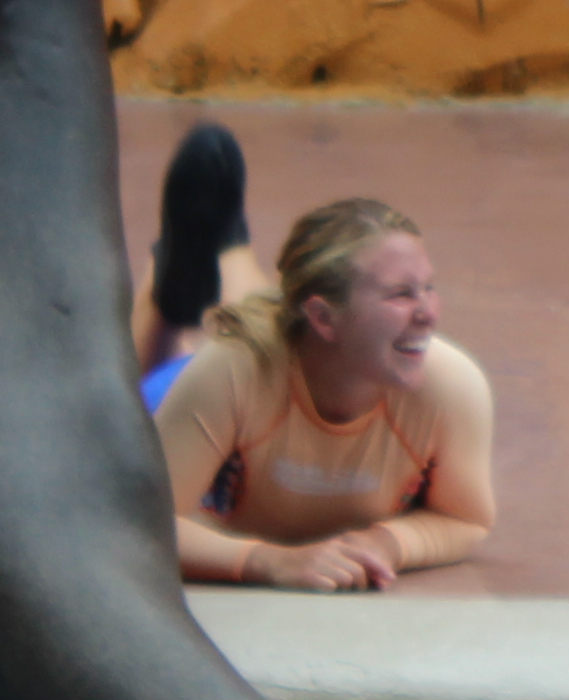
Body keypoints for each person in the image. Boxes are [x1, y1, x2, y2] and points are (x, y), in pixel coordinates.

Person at [153, 195, 501, 592]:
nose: (429, 314)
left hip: (265, 366)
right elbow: (136, 524)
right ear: (323, 317)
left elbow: (466, 520)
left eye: (428, 288)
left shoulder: (451, 385)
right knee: (167, 347)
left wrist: (384, 544)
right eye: (400, 294)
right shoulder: (229, 372)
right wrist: (267, 562)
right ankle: (212, 241)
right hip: (176, 390)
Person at [132, 120, 255, 409]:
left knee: (133, 392)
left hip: (159, 402)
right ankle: (228, 248)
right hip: (238, 407)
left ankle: (177, 261)